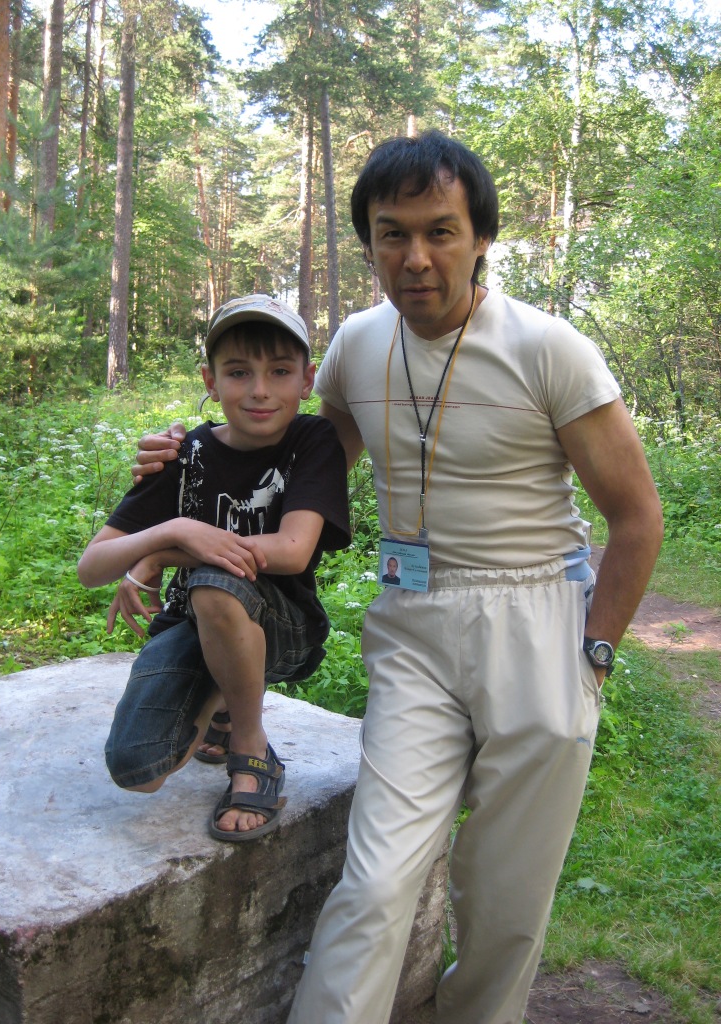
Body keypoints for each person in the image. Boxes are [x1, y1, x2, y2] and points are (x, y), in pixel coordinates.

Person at [133, 132, 664, 1023]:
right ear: (370, 242)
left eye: (440, 231)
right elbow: (299, 468)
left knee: (506, 894)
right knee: (377, 877)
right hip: (413, 620)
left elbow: (637, 518)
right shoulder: (357, 345)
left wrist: (593, 655)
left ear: (481, 237)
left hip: (538, 612)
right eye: (393, 234)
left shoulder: (550, 349)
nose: (416, 257)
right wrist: (187, 459)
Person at [78, 294, 351, 842]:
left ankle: (251, 747)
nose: (259, 390)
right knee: (139, 769)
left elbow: (292, 550)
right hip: (194, 625)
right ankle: (222, 706)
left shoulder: (311, 440)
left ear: (307, 380)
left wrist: (160, 556)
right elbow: (92, 566)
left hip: (284, 628)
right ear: (210, 380)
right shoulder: (187, 455)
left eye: (280, 372)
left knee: (213, 583)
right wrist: (173, 530)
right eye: (238, 372)